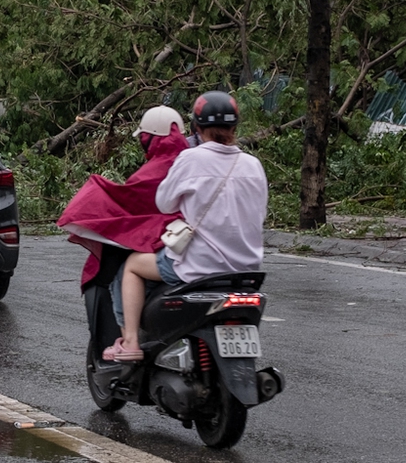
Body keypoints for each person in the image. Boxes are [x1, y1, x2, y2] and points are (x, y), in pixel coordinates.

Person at [102, 91, 268, 364]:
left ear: (196, 127)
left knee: (131, 265)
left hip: (199, 267)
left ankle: (130, 341)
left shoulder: (191, 159)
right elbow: (258, 214)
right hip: (247, 269)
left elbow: (165, 203)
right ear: (235, 128)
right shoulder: (253, 165)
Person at [57, 105, 191, 291]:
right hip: (202, 249)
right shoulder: (199, 165)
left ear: (149, 138)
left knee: (127, 272)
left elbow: (129, 204)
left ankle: (127, 321)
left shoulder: (152, 173)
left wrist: (97, 191)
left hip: (174, 246)